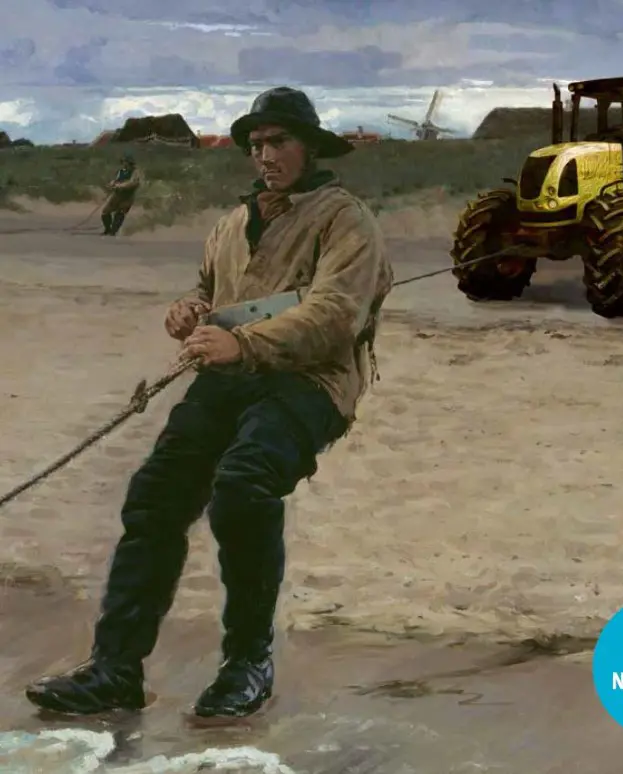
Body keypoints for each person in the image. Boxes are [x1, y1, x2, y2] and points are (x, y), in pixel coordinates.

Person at [25, 87, 394, 718]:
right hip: (227, 377)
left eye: (279, 142)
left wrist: (243, 342)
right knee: (153, 499)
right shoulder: (230, 222)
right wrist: (187, 310)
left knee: (244, 486)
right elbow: (207, 287)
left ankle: (248, 663)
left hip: (311, 383)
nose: (266, 155)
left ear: (310, 146)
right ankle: (116, 670)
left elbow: (335, 315)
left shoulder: (345, 219)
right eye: (257, 145)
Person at [102, 153, 142, 236]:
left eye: (125, 162)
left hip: (128, 196)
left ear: (129, 162)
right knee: (105, 212)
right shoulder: (121, 171)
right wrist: (112, 184)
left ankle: (113, 231)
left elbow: (133, 183)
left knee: (120, 213)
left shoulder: (136, 172)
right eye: (123, 162)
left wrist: (120, 186)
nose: (124, 163)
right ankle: (107, 229)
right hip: (117, 194)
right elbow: (116, 180)